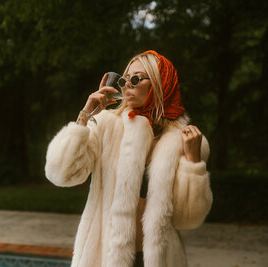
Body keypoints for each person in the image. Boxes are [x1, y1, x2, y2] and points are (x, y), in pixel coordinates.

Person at [45, 50, 213, 267]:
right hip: (103, 258)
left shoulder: (184, 141)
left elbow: (188, 219)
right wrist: (84, 117)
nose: (126, 86)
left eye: (136, 79)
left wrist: (193, 163)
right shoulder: (106, 125)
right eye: (124, 80)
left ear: (161, 83)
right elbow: (60, 174)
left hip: (161, 259)